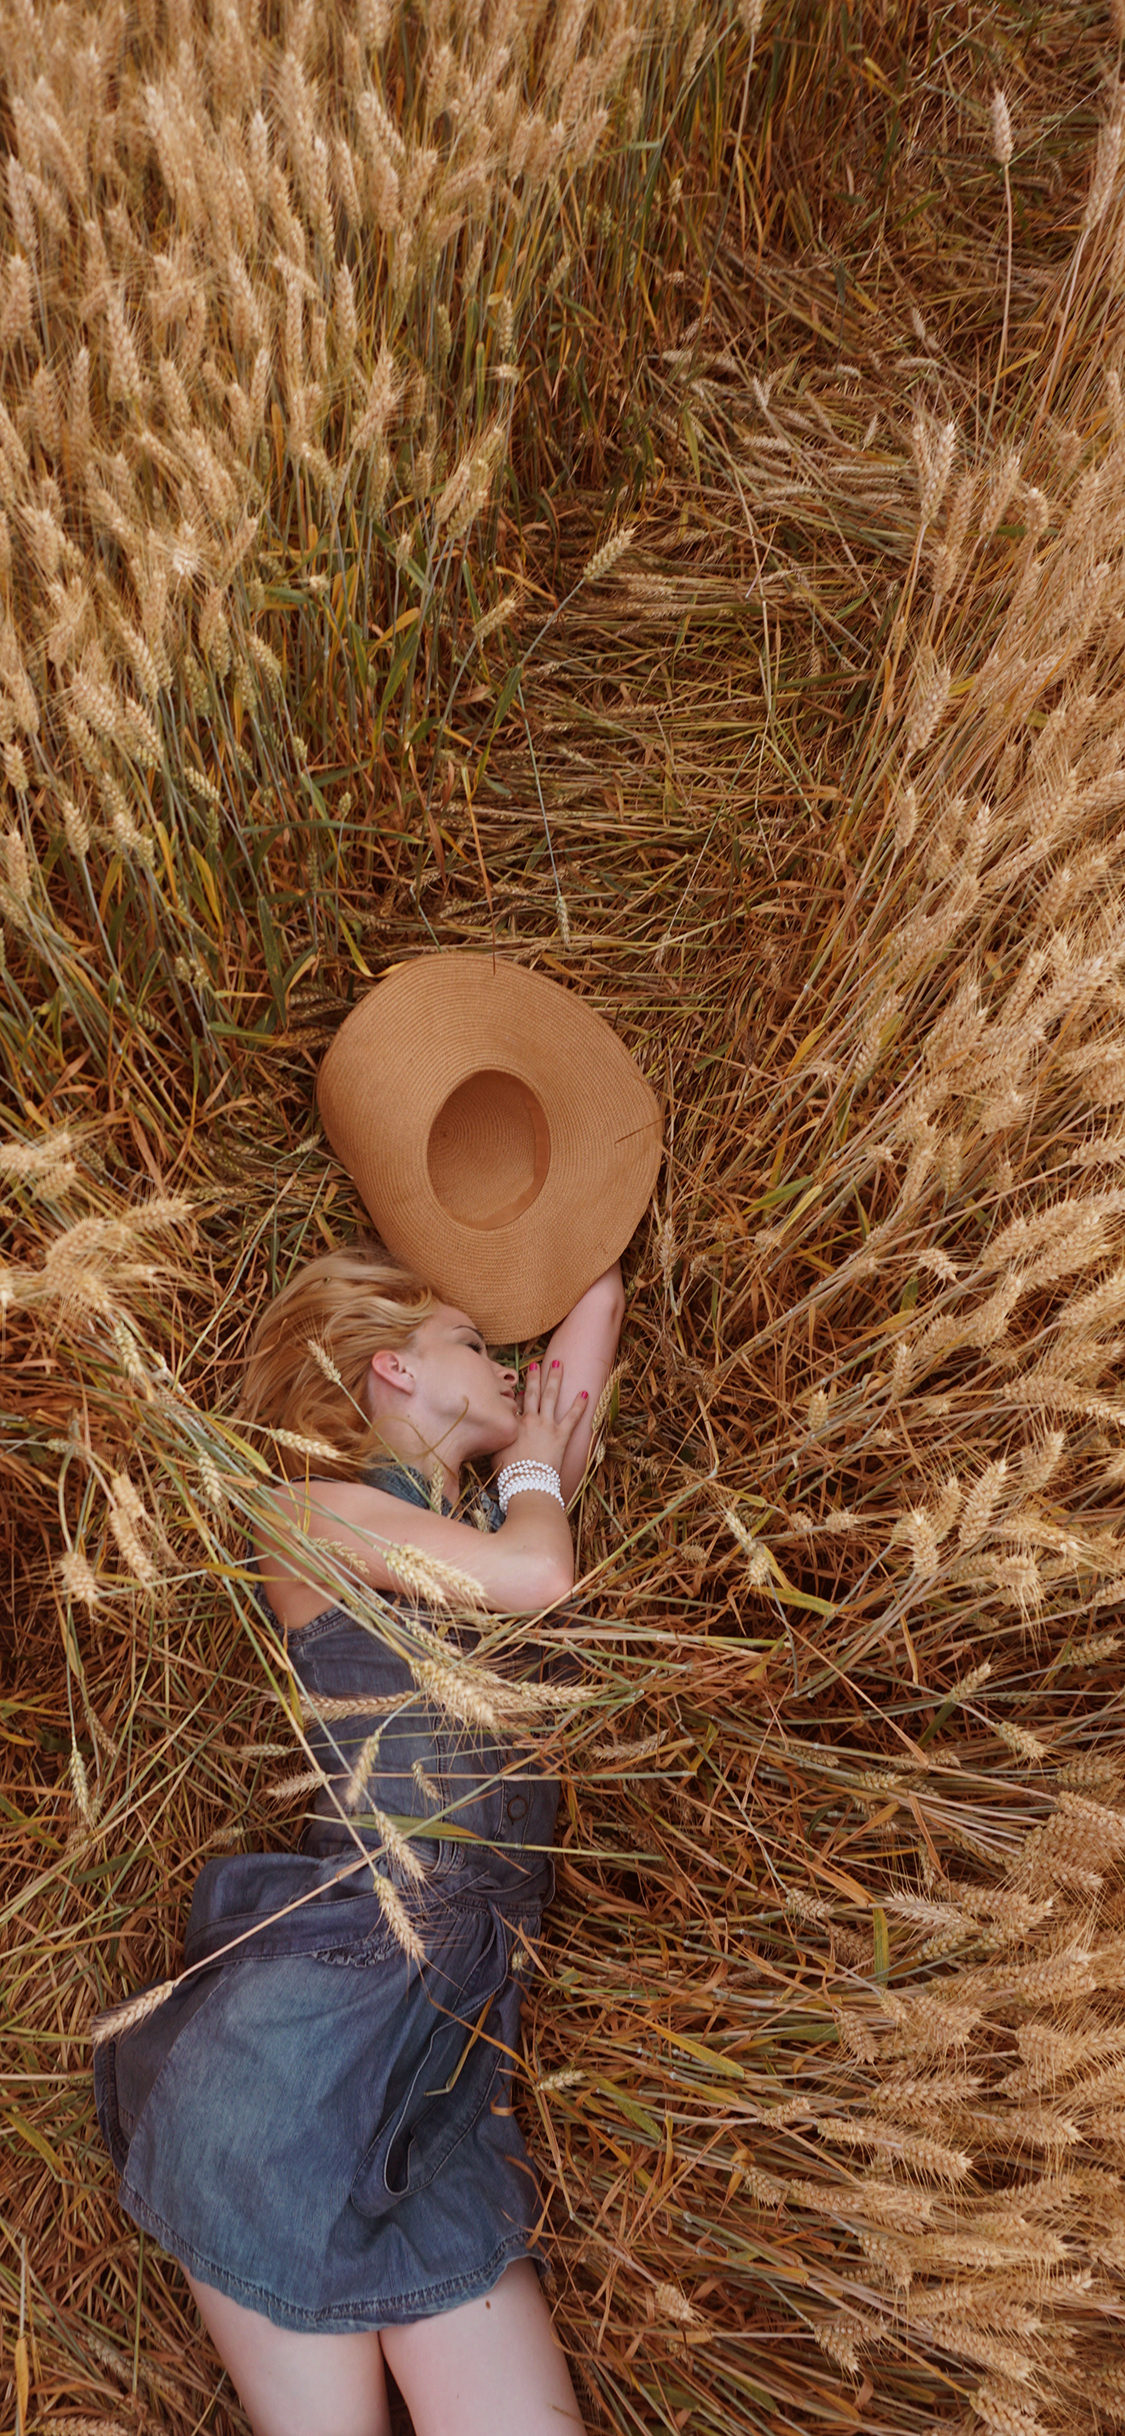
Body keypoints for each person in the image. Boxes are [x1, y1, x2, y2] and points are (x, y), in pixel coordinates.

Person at [94, 1238, 625, 2436]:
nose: (507, 1366)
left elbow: (582, 1332)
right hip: (300, 2047)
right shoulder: (309, 1513)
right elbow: (537, 1578)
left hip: (453, 2055)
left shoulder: (499, 1519)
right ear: (392, 1367)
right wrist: (533, 1473)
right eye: (472, 1343)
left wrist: (571, 1218)